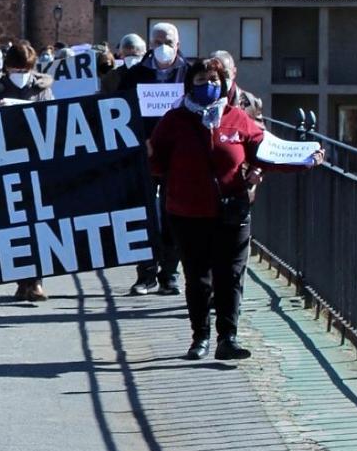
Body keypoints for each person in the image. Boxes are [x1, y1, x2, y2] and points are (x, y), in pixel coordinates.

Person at [148, 57, 322, 363]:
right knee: (198, 278)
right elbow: (155, 164)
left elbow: (264, 151)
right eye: (202, 81)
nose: (210, 86)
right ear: (190, 86)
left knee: (231, 276)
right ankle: (200, 336)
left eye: (215, 81)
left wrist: (300, 160)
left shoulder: (238, 118)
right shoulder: (173, 121)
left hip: (232, 211)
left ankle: (227, 337)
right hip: (188, 213)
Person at [110, 21, 189, 297]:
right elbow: (120, 110)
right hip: (143, 154)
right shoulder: (135, 75)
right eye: (156, 41)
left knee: (172, 215)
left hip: (176, 158)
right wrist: (139, 138)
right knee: (143, 215)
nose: (162, 47)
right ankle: (145, 274)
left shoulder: (188, 74)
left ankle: (169, 274)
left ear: (178, 45)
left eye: (167, 41)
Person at [0, 40, 52, 303]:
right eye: (17, 70)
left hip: (35, 162)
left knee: (37, 224)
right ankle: (22, 280)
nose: (21, 75)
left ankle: (36, 281)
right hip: (6, 164)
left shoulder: (42, 88)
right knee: (13, 225)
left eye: (26, 70)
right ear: (8, 68)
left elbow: (54, 119)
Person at [209, 49, 263, 121]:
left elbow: (259, 130)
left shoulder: (250, 102)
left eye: (224, 74)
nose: (220, 79)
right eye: (214, 76)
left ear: (234, 73)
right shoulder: (200, 100)